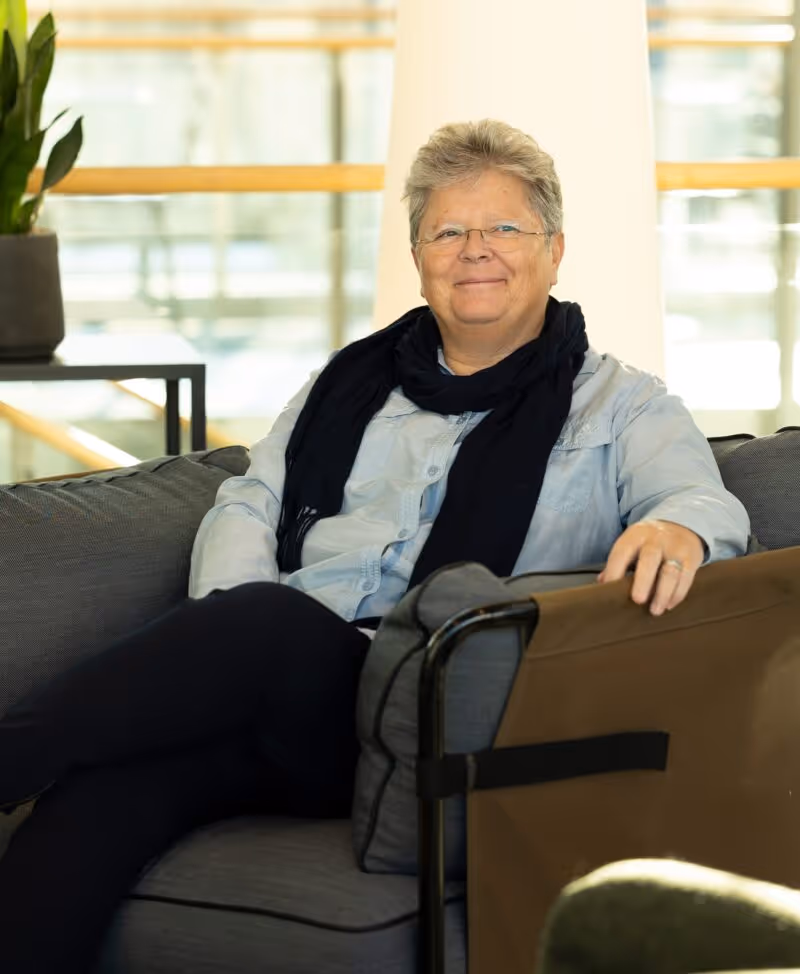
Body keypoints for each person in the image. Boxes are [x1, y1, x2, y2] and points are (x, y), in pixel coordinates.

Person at [0, 119, 749, 973]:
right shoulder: (347, 383)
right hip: (282, 701)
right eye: (449, 230)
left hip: (427, 706)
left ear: (554, 249)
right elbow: (251, 499)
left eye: (504, 227)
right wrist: (222, 640)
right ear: (419, 254)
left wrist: (676, 526)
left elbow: (700, 501)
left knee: (269, 626)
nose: (476, 250)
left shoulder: (620, 406)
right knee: (98, 795)